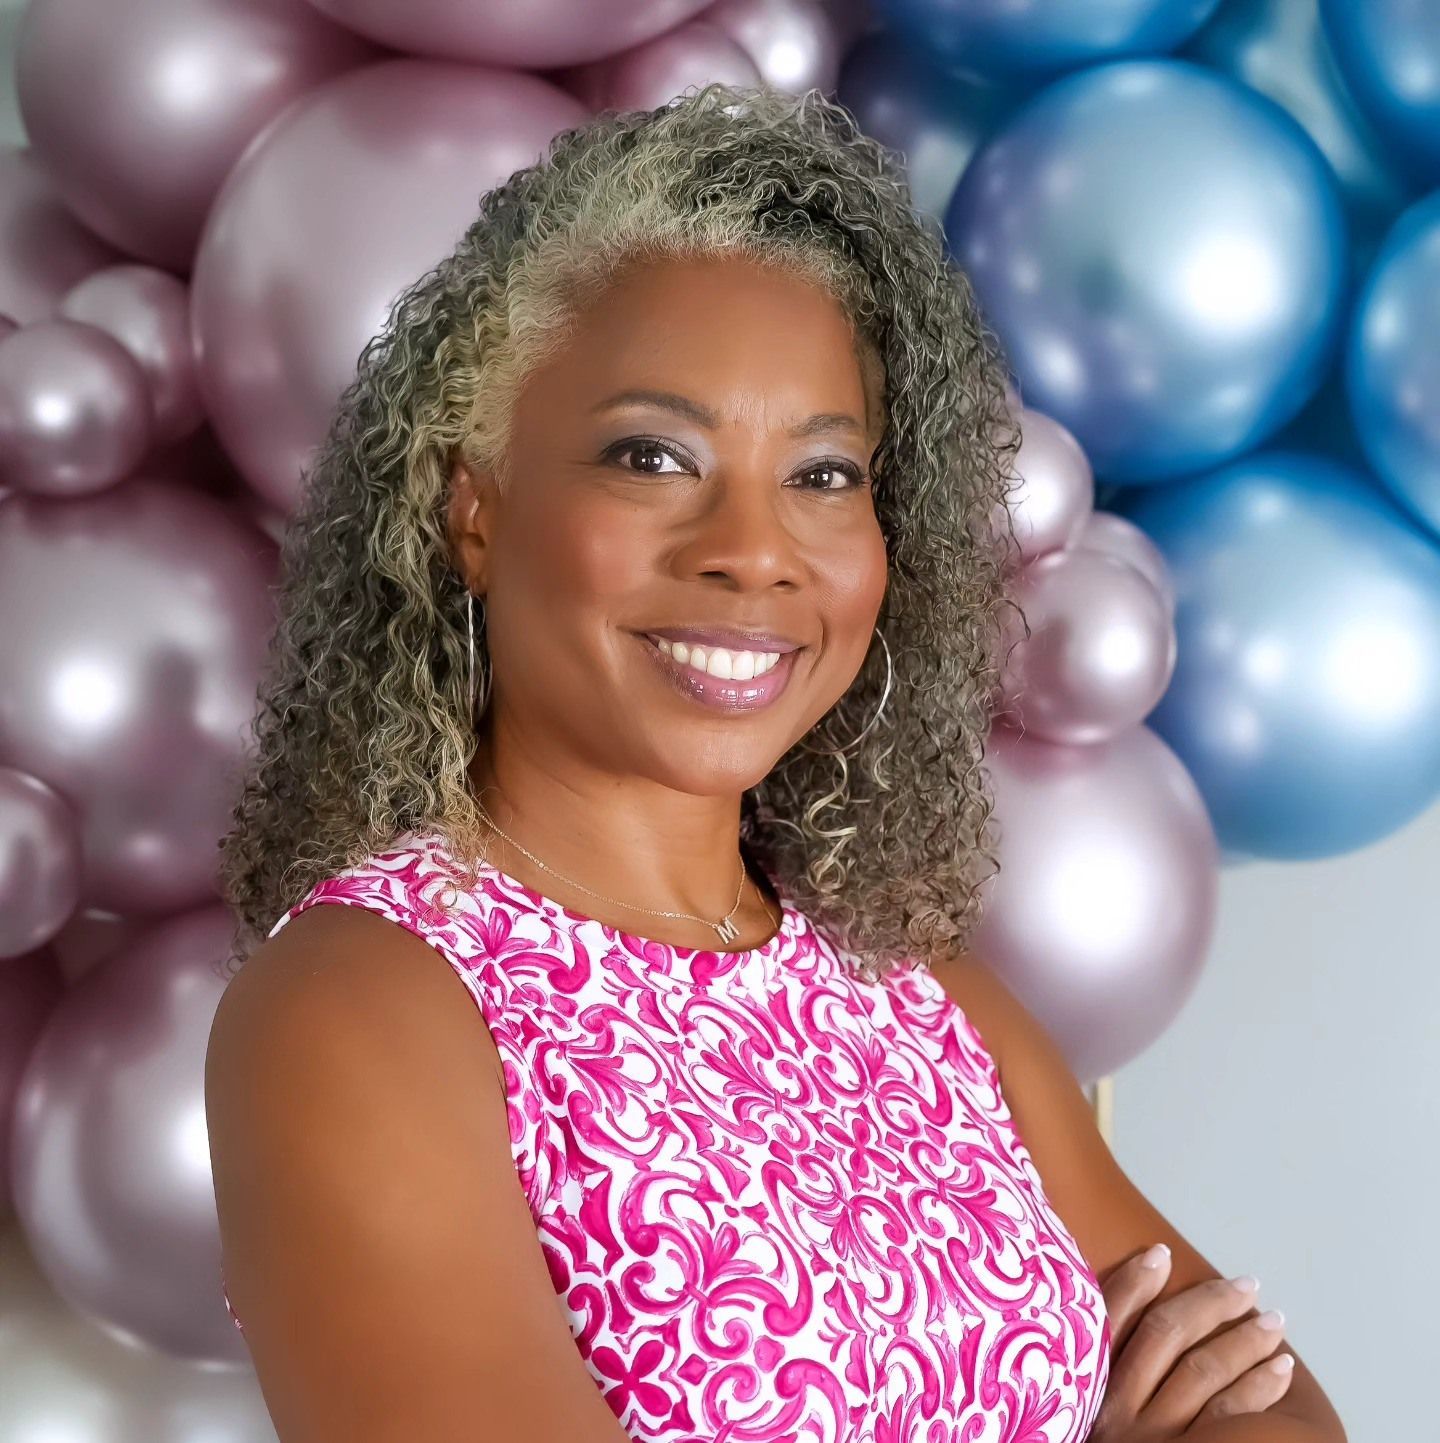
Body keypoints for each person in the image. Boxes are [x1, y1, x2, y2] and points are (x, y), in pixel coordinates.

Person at [204, 84, 1345, 1443]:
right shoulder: (361, 1013)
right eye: (652, 456)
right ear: (475, 507)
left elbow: (1274, 1410)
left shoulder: (922, 1003)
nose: (754, 549)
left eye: (823, 476)